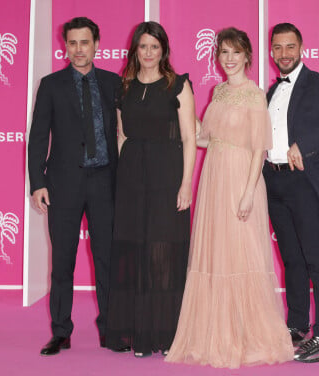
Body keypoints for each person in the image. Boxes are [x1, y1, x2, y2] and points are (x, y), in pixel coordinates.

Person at [165, 27, 294, 368]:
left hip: (241, 180)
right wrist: (185, 106)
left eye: (236, 52)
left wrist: (249, 193)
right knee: (215, 255)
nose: (230, 58)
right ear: (217, 57)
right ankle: (214, 333)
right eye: (224, 52)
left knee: (242, 255)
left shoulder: (253, 94)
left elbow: (258, 149)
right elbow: (206, 139)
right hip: (213, 178)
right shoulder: (218, 91)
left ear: (248, 56)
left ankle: (246, 334)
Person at [28, 17, 125, 356]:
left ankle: (111, 328)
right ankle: (60, 331)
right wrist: (37, 182)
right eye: (73, 43)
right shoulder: (51, 84)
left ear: (96, 44)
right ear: (65, 46)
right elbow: (38, 137)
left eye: (85, 42)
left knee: (108, 260)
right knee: (63, 261)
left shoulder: (114, 83)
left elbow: (128, 134)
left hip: (104, 182)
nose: (79, 49)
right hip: (63, 184)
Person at [264, 23, 319, 363]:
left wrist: (305, 144)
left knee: (316, 257)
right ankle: (297, 324)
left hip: (305, 180)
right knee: (291, 258)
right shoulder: (269, 92)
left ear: (301, 47)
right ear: (271, 51)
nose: (284, 54)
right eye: (278, 48)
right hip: (273, 182)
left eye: (290, 47)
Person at [104, 21, 196, 358]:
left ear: (163, 50)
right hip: (131, 176)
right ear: (135, 50)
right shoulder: (123, 87)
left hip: (167, 175)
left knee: (162, 253)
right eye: (143, 47)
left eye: (154, 47)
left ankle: (166, 333)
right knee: (134, 251)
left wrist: (185, 184)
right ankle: (137, 332)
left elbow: (188, 138)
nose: (148, 53)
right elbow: (121, 135)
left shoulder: (178, 85)